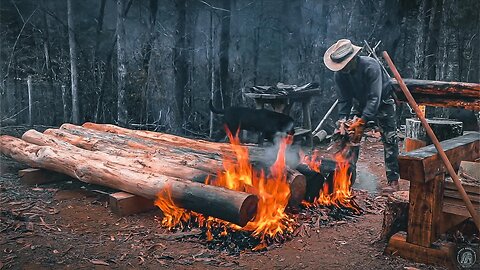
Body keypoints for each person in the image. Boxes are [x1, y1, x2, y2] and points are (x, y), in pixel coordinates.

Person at [323, 39, 400, 194]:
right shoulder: (340, 75)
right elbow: (344, 100)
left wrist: (362, 121)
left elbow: (374, 98)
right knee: (349, 137)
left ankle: (393, 181)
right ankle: (347, 177)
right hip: (359, 103)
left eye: (345, 64)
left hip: (382, 101)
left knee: (390, 139)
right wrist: (343, 121)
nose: (343, 68)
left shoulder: (371, 67)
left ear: (353, 59)